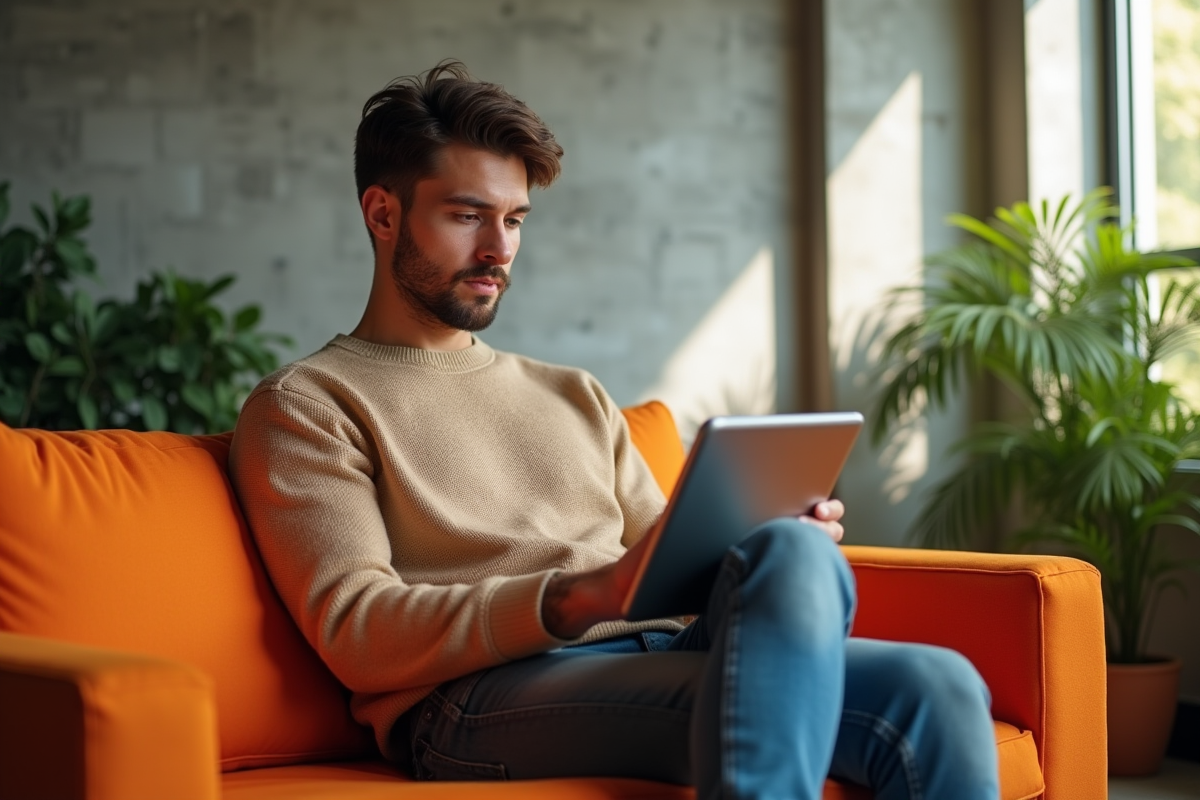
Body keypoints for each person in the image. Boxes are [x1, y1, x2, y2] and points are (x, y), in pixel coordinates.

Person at [229, 61, 1000, 800]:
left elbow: (667, 563)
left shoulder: (573, 394)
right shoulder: (310, 404)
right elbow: (358, 631)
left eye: (514, 219)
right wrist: (574, 598)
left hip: (663, 649)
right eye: (468, 216)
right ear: (383, 214)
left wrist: (759, 536)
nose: (499, 249)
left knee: (933, 678)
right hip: (478, 699)